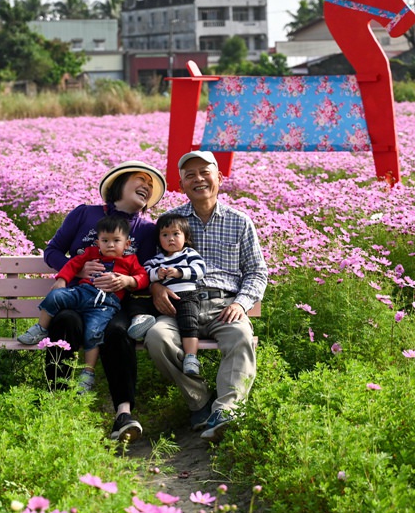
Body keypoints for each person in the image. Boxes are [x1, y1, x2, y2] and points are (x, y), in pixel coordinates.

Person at [145, 150, 268, 442]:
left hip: (222, 305)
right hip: (177, 305)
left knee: (240, 337)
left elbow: (257, 272)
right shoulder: (170, 222)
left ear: (219, 177)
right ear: (181, 183)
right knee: (156, 337)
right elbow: (150, 266)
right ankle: (200, 402)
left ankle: (226, 411)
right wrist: (155, 286)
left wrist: (241, 303)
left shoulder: (240, 221)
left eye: (205, 172)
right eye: (190, 175)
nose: (198, 179)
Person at [41, 160, 166, 442]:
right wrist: (77, 267)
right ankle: (57, 404)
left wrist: (128, 281)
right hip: (77, 296)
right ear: (119, 183)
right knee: (64, 322)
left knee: (117, 333)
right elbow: (53, 251)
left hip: (114, 304)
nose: (147, 186)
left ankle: (123, 413)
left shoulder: (147, 230)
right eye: (141, 179)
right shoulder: (85, 214)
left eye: (151, 185)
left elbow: (147, 271)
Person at [19, 214, 149, 393]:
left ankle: (88, 373)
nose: (110, 245)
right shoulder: (91, 254)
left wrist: (128, 281)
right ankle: (41, 328)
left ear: (126, 244)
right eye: (105, 240)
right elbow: (73, 264)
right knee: (56, 296)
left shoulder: (130, 260)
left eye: (116, 240)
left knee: (93, 333)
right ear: (97, 243)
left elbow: (143, 277)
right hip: (81, 293)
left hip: (105, 303)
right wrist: (62, 279)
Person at [142, 214, 206, 376]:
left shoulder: (189, 254)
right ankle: (140, 321)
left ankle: (191, 357)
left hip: (187, 296)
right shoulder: (156, 260)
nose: (171, 238)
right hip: (165, 300)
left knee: (189, 322)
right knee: (142, 305)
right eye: (165, 235)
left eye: (176, 234)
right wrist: (158, 274)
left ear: (186, 237)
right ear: (159, 239)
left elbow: (200, 270)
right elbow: (145, 274)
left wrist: (179, 272)